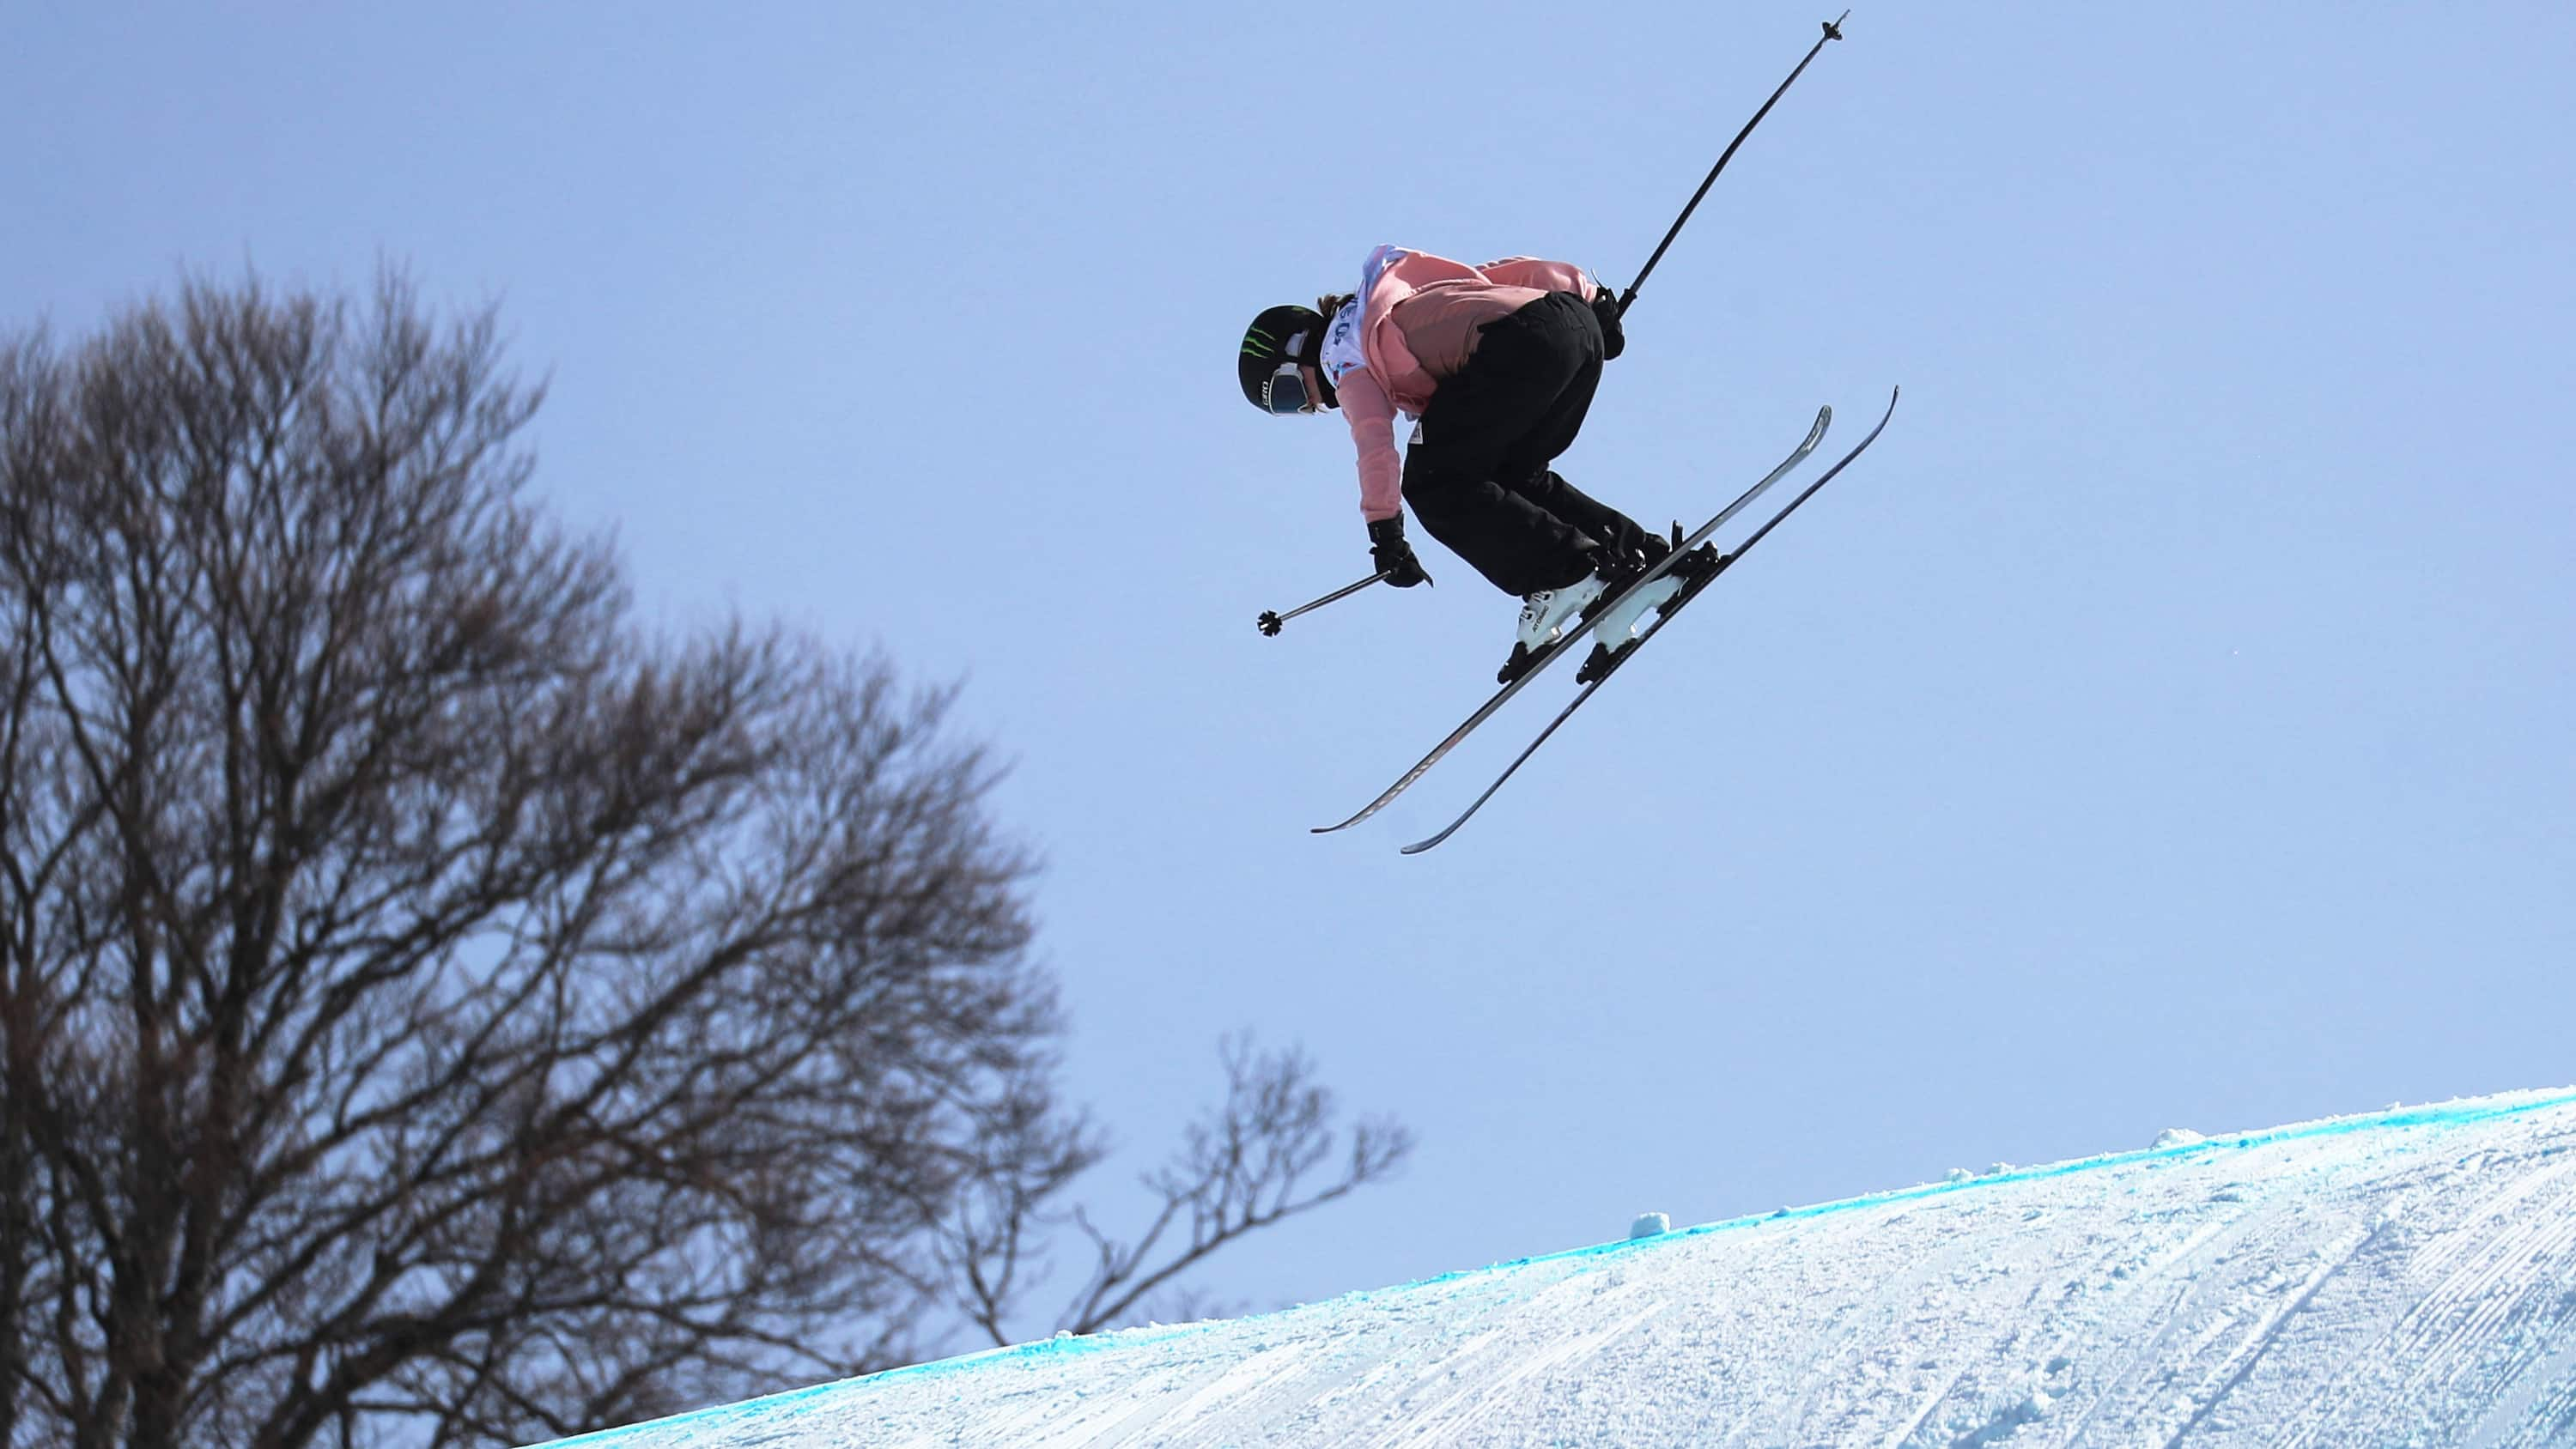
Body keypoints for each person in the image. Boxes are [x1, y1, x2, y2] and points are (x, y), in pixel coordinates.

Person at [1240, 243, 1717, 682]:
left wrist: (1385, 534)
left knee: (1432, 479)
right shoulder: (1396, 292)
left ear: (1300, 345)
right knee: (1509, 475)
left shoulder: (1342, 355)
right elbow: (1498, 275)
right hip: (1570, 329)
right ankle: (1644, 563)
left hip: (1518, 345)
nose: (1311, 405)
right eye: (1291, 406)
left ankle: (1569, 573)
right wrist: (1590, 297)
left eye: (1289, 391)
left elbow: (1374, 441)